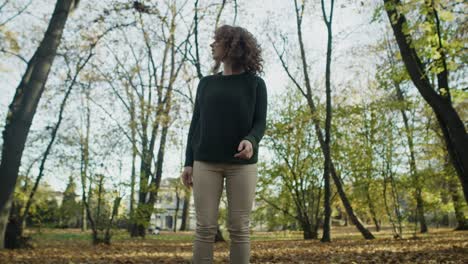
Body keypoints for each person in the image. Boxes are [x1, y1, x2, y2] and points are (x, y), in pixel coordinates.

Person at [180, 24, 268, 264]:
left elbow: (260, 123)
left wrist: (251, 140)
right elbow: (195, 124)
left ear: (231, 45)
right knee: (204, 227)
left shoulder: (255, 84)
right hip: (205, 162)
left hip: (242, 165)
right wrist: (188, 163)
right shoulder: (206, 83)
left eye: (216, 41)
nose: (212, 45)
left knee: (239, 228)